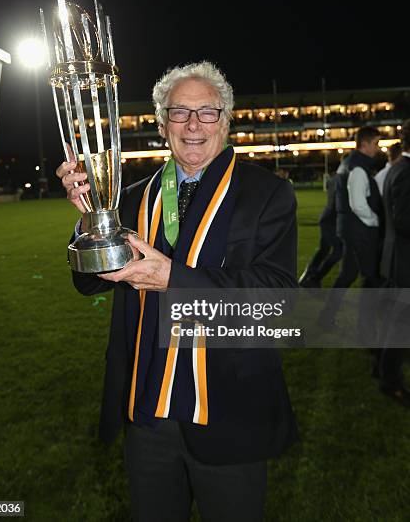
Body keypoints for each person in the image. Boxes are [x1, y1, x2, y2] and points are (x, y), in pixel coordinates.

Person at [57, 62, 298, 522]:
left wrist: (174, 278)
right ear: (161, 122)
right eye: (179, 112)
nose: (192, 125)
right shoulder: (130, 197)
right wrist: (93, 216)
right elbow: (87, 281)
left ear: (226, 120)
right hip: (148, 413)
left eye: (207, 113)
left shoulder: (267, 194)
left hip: (229, 413)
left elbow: (279, 300)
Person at [319, 127, 384, 334]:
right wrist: (375, 221)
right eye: (376, 144)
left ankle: (325, 318)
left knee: (347, 276)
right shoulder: (357, 168)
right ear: (364, 145)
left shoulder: (348, 163)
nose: (378, 148)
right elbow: (358, 205)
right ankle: (367, 329)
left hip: (350, 230)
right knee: (370, 277)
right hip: (360, 232)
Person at [377, 121, 410, 406]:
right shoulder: (405, 172)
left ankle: (386, 372)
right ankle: (390, 379)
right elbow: (402, 220)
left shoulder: (397, 168)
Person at [299, 168, 343, 287]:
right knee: (338, 251)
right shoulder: (342, 180)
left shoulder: (334, 179)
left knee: (324, 249)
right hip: (331, 221)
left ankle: (307, 275)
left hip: (327, 218)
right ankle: (314, 278)